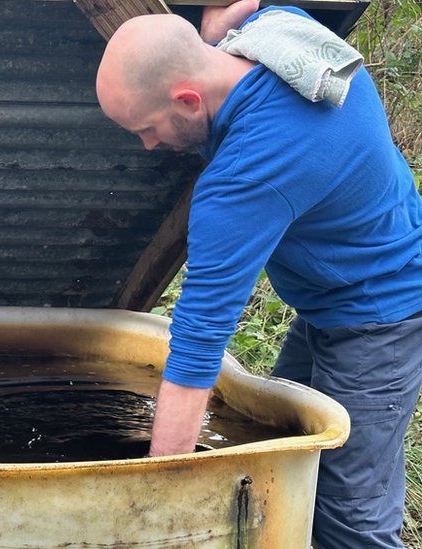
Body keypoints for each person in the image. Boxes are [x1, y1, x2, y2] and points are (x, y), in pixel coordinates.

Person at [95, 3, 422, 547]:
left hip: (380, 314)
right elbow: (242, 7)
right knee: (282, 441)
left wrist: (157, 491)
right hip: (341, 285)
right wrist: (220, 24)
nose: (148, 145)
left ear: (187, 99)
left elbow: (197, 346)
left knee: (349, 518)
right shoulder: (284, 33)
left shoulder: (246, 179)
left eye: (146, 128)